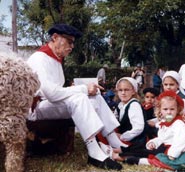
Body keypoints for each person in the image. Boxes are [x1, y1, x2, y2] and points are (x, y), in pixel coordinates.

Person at [26, 23, 123, 170]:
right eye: (68, 41)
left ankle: (114, 141)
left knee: (95, 97)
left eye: (73, 43)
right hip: (34, 109)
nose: (71, 46)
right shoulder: (40, 58)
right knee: (80, 97)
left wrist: (79, 90)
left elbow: (56, 91)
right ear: (55, 37)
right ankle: (94, 152)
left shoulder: (55, 59)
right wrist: (82, 89)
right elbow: (51, 94)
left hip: (47, 104)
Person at [123, 91, 185, 165]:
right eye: (165, 109)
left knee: (158, 157)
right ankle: (125, 154)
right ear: (160, 110)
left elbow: (184, 138)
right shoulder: (164, 123)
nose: (169, 112)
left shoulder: (178, 123)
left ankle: (140, 161)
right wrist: (154, 143)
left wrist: (173, 153)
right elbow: (163, 138)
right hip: (163, 147)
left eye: (172, 109)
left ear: (177, 110)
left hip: (171, 149)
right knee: (139, 150)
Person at [161, 71, 185, 137]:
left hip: (183, 127)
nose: (168, 87)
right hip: (171, 123)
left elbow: (181, 117)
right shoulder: (165, 97)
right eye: (165, 84)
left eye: (171, 84)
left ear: (177, 85)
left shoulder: (182, 99)